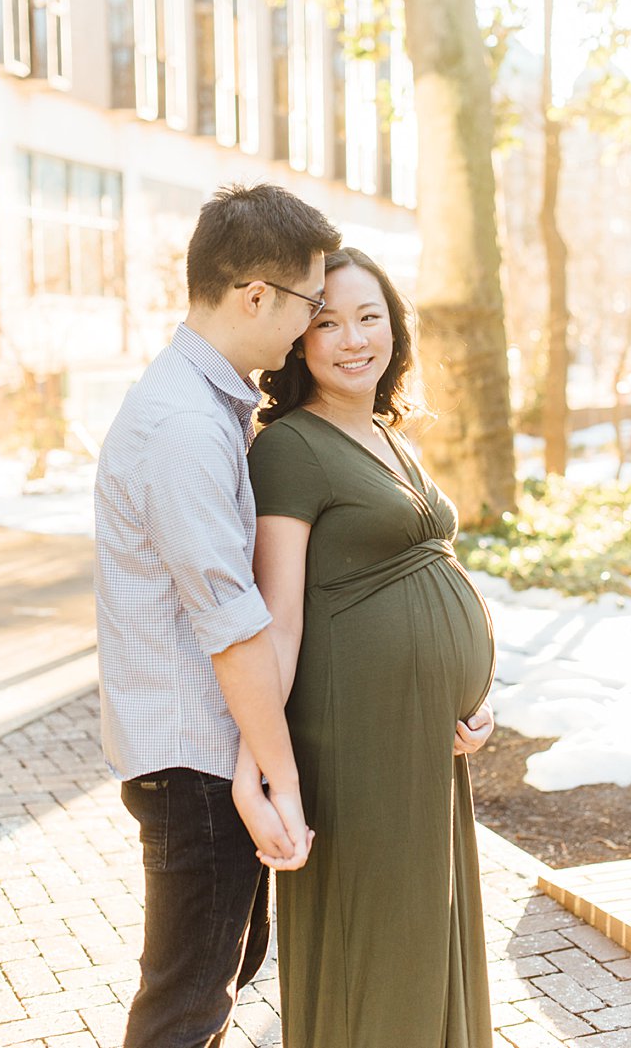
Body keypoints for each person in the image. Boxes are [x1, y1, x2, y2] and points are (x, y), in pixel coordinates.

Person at [95, 183, 340, 1047]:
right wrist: (278, 776)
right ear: (256, 296)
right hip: (195, 760)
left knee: (215, 981)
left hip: (200, 753)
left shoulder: (207, 403)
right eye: (312, 302)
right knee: (187, 1002)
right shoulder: (183, 425)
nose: (313, 325)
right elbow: (230, 622)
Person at [241, 247, 498, 1048]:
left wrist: (477, 692)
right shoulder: (289, 447)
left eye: (369, 316)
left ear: (394, 326)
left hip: (426, 744)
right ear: (297, 341)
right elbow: (276, 620)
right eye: (326, 322)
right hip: (357, 744)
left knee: (430, 934)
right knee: (381, 951)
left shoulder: (387, 432)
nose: (353, 339)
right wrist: (258, 764)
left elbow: (432, 562)